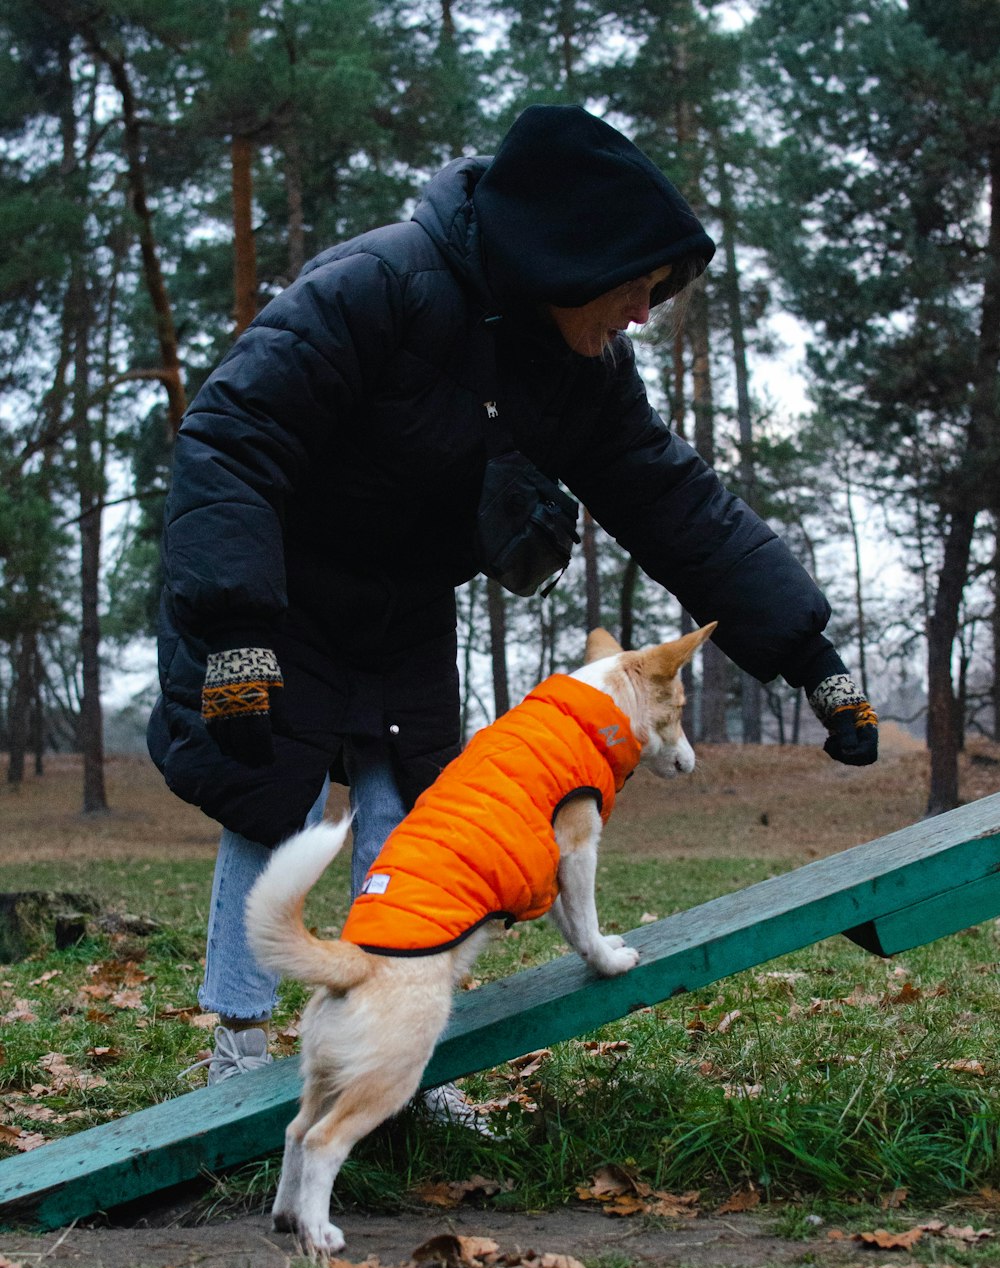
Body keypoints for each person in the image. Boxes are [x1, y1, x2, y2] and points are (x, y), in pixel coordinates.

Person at [148, 103, 878, 1090]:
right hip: (283, 593)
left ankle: (408, 1058)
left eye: (656, 293)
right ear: (563, 256)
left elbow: (674, 500)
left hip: (404, 608)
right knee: (267, 798)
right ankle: (235, 1053)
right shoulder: (377, 287)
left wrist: (809, 654)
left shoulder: (582, 370)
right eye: (634, 286)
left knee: (412, 820)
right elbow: (232, 437)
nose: (640, 314)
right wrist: (235, 628)